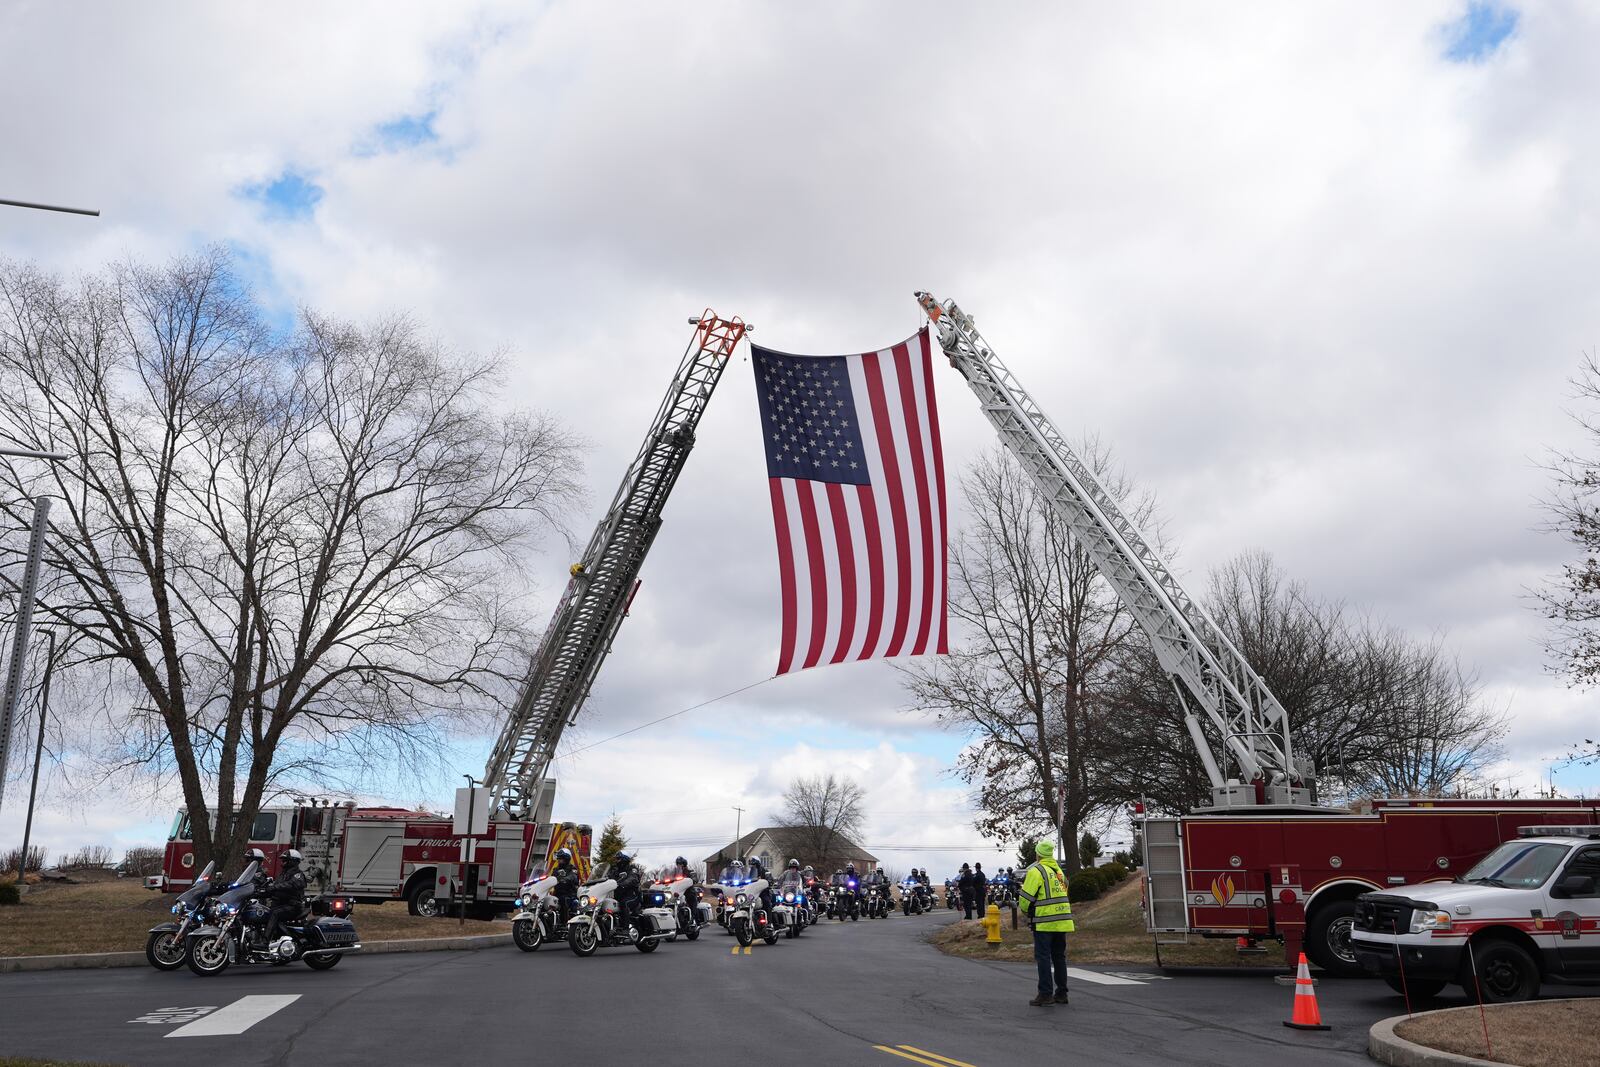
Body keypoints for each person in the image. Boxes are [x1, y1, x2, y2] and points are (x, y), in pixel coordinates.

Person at [1018, 840, 1075, 1007]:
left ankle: (1045, 993)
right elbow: (1065, 888)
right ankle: (1062, 993)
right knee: (1059, 956)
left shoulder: (1036, 871)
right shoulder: (1058, 871)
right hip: (1062, 921)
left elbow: (1026, 898)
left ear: (1038, 854)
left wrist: (1025, 911)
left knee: (1043, 956)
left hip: (1044, 921)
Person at [264, 848, 307, 947]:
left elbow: (292, 884)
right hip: (280, 904)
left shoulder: (298, 874)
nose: (283, 861)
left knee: (274, 913)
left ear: (294, 861)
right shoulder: (283, 874)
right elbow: (274, 888)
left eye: (285, 859)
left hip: (292, 906)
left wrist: (274, 887)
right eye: (283, 859)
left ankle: (265, 941)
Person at [612, 851, 644, 935]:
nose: (616, 861)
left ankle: (625, 928)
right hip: (619, 895)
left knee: (624, 903)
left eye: (618, 859)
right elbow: (608, 878)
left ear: (624, 859)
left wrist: (621, 884)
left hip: (633, 896)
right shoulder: (615, 871)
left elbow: (632, 879)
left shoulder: (632, 869)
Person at [551, 847, 581, 925]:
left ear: (567, 859)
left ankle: (564, 923)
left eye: (562, 858)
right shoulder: (556, 869)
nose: (559, 860)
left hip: (569, 894)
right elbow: (551, 878)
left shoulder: (572, 868)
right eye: (559, 858)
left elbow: (573, 876)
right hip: (557, 893)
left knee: (563, 900)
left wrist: (566, 879)